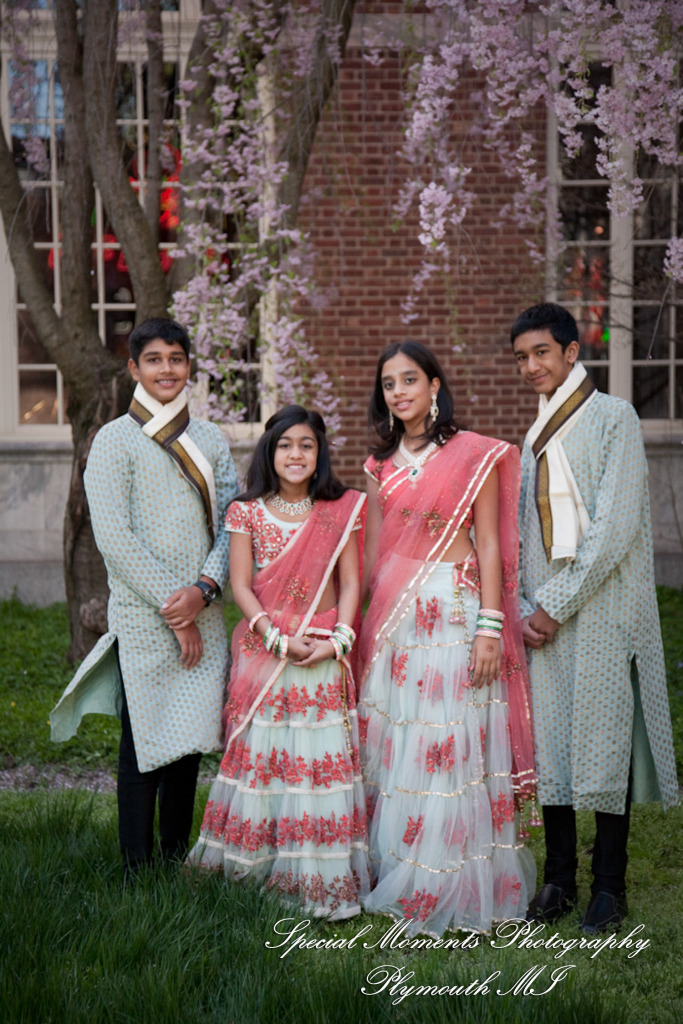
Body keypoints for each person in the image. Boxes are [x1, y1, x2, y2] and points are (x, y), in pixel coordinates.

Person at [358, 341, 536, 937]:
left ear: (435, 385)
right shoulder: (379, 466)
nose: (399, 392)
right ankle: (404, 869)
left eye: (410, 379)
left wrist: (491, 626)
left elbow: (490, 545)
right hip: (399, 621)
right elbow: (375, 554)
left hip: (455, 614)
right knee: (403, 740)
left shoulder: (471, 455)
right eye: (389, 384)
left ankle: (455, 882)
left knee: (451, 741)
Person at [511, 302, 679, 934]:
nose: (531, 366)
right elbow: (523, 530)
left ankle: (610, 886)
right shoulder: (532, 435)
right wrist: (528, 605)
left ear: (571, 352)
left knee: (606, 740)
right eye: (521, 357)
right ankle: (559, 879)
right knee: (552, 742)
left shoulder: (614, 417)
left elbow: (614, 527)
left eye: (541, 353)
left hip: (604, 603)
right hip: (543, 611)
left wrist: (556, 604)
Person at [51, 318, 238, 878]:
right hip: (143, 615)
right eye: (153, 359)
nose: (166, 369)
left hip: (204, 608)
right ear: (134, 368)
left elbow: (233, 525)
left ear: (189, 366)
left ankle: (175, 857)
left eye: (176, 358)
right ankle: (136, 868)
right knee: (144, 740)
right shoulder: (113, 440)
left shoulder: (210, 439)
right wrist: (175, 609)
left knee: (189, 739)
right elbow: (114, 537)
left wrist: (204, 591)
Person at [188, 405, 370, 920]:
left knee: (315, 760)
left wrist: (338, 641)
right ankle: (255, 868)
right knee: (266, 757)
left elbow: (351, 584)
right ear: (269, 451)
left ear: (320, 453)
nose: (296, 454)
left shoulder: (340, 509)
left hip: (322, 646)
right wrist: (276, 639)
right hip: (266, 651)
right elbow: (241, 586)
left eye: (306, 445)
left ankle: (319, 876)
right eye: (285, 444)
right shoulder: (246, 511)